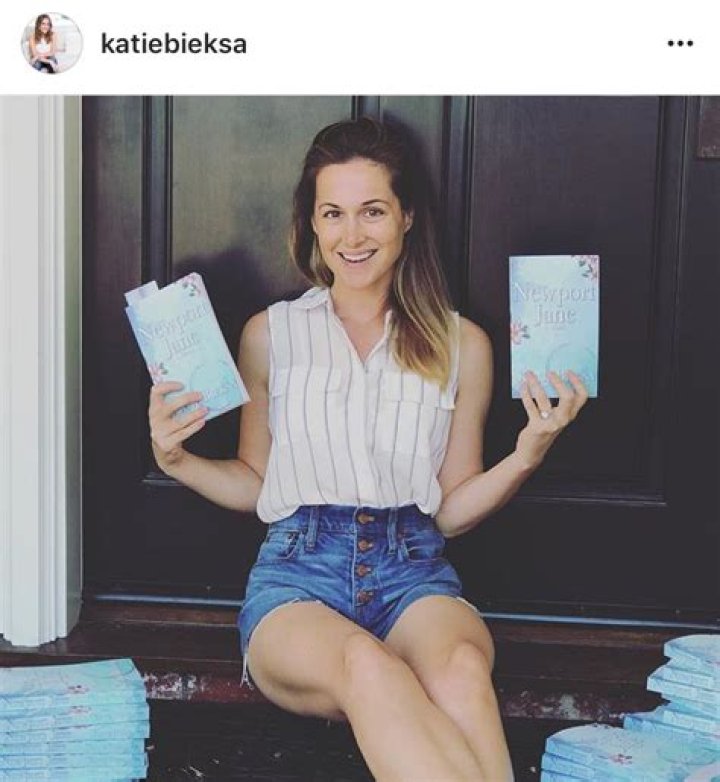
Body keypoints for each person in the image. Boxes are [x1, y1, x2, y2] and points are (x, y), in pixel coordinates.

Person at [149, 117, 589, 781]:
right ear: (313, 223)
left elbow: (450, 511)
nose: (351, 236)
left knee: (462, 670)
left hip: (413, 570)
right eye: (333, 213)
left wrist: (528, 453)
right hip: (297, 575)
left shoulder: (461, 345)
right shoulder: (270, 335)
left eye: (373, 211)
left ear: (407, 217)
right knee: (368, 666)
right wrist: (176, 460)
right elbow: (255, 482)